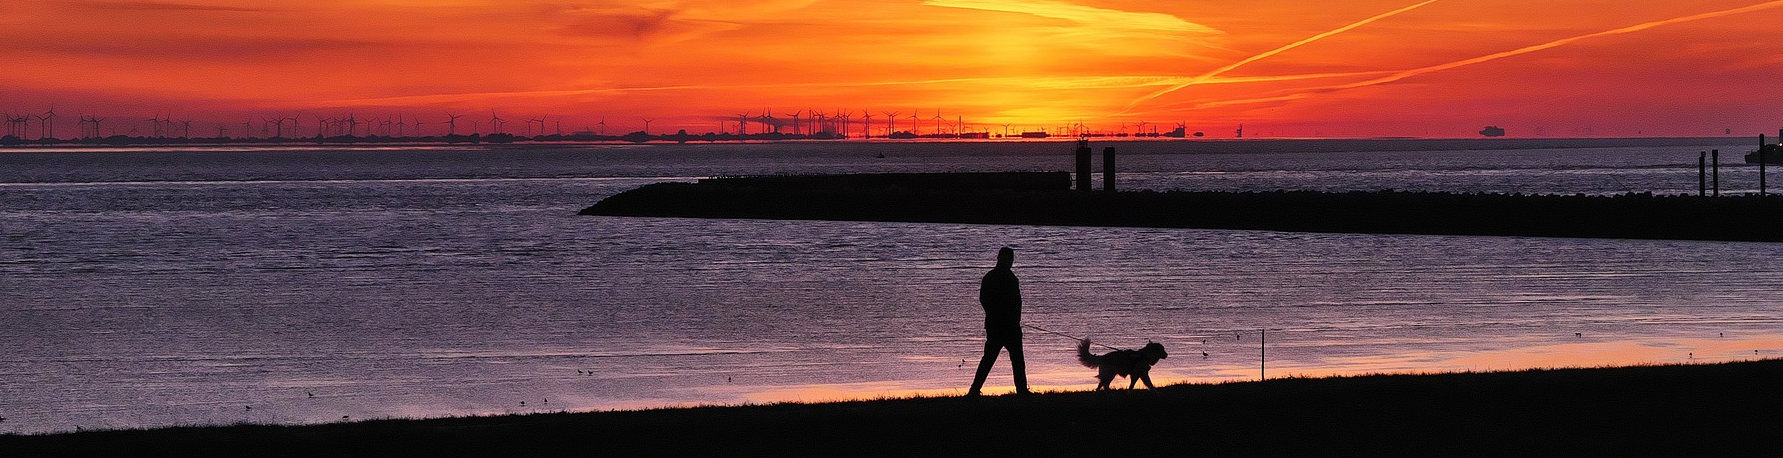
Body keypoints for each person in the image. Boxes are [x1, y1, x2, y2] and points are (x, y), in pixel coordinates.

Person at [968, 246, 1029, 396]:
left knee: (991, 359)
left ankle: (974, 390)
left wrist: (997, 315)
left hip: (997, 326)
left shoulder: (991, 277)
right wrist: (1013, 320)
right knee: (1015, 360)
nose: (1010, 262)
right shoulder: (1008, 278)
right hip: (1007, 327)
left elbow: (984, 300)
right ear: (1003, 259)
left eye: (1011, 259)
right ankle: (1021, 391)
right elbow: (1016, 302)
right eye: (1009, 259)